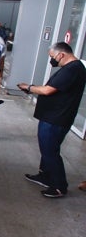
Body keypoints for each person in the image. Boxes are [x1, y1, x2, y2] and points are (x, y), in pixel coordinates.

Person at [18, 42, 86, 198]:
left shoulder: (73, 69)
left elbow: (48, 90)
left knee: (50, 151)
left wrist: (28, 87)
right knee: (46, 149)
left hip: (56, 118)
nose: (52, 60)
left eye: (52, 57)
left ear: (61, 54)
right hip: (53, 116)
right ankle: (45, 175)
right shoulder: (72, 68)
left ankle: (59, 186)